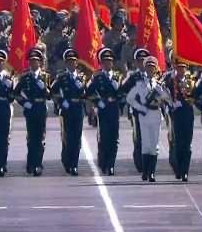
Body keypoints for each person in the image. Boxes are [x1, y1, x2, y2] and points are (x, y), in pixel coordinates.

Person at [126, 56, 171, 182]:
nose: (150, 69)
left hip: (156, 114)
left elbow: (168, 99)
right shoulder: (140, 83)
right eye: (148, 67)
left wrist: (163, 96)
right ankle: (145, 172)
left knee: (154, 145)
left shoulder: (159, 84)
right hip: (144, 115)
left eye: (153, 67)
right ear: (145, 68)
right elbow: (130, 98)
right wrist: (140, 108)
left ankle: (152, 172)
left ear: (156, 69)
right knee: (146, 144)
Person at [86, 48, 123, 176]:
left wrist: (120, 102)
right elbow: (89, 92)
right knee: (103, 137)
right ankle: (103, 162)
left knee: (114, 138)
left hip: (114, 109)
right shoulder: (98, 77)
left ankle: (111, 164)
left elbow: (123, 93)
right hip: (103, 109)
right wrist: (98, 102)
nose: (108, 63)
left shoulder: (118, 77)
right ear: (101, 63)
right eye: (105, 61)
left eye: (110, 61)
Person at [14, 48, 51, 177]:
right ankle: (31, 162)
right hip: (30, 109)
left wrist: (45, 88)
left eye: (36, 61)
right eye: (31, 61)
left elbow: (50, 95)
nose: (33, 63)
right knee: (31, 137)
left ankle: (38, 164)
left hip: (41, 108)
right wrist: (25, 103)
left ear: (40, 62)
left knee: (40, 137)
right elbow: (16, 93)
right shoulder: (25, 77)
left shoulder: (45, 77)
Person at [51, 48, 86, 176]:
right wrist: (61, 102)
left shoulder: (82, 77)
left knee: (77, 138)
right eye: (69, 61)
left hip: (78, 109)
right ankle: (67, 160)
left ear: (76, 63)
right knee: (67, 137)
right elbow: (53, 92)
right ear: (66, 63)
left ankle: (74, 164)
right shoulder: (61, 77)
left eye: (73, 61)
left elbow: (86, 93)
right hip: (66, 110)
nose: (71, 63)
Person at [161, 57, 195, 181]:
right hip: (175, 114)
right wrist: (171, 103)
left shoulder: (191, 80)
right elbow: (162, 92)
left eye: (183, 68)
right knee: (177, 142)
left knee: (187, 143)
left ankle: (185, 170)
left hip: (188, 113)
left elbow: (195, 94)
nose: (181, 70)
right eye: (179, 67)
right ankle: (178, 167)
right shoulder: (170, 80)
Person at [119, 48, 150, 173]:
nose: (142, 63)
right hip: (137, 111)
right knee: (139, 138)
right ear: (136, 62)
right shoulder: (133, 76)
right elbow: (123, 90)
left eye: (144, 60)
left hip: (151, 111)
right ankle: (140, 163)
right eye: (140, 61)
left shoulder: (153, 75)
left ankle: (148, 162)